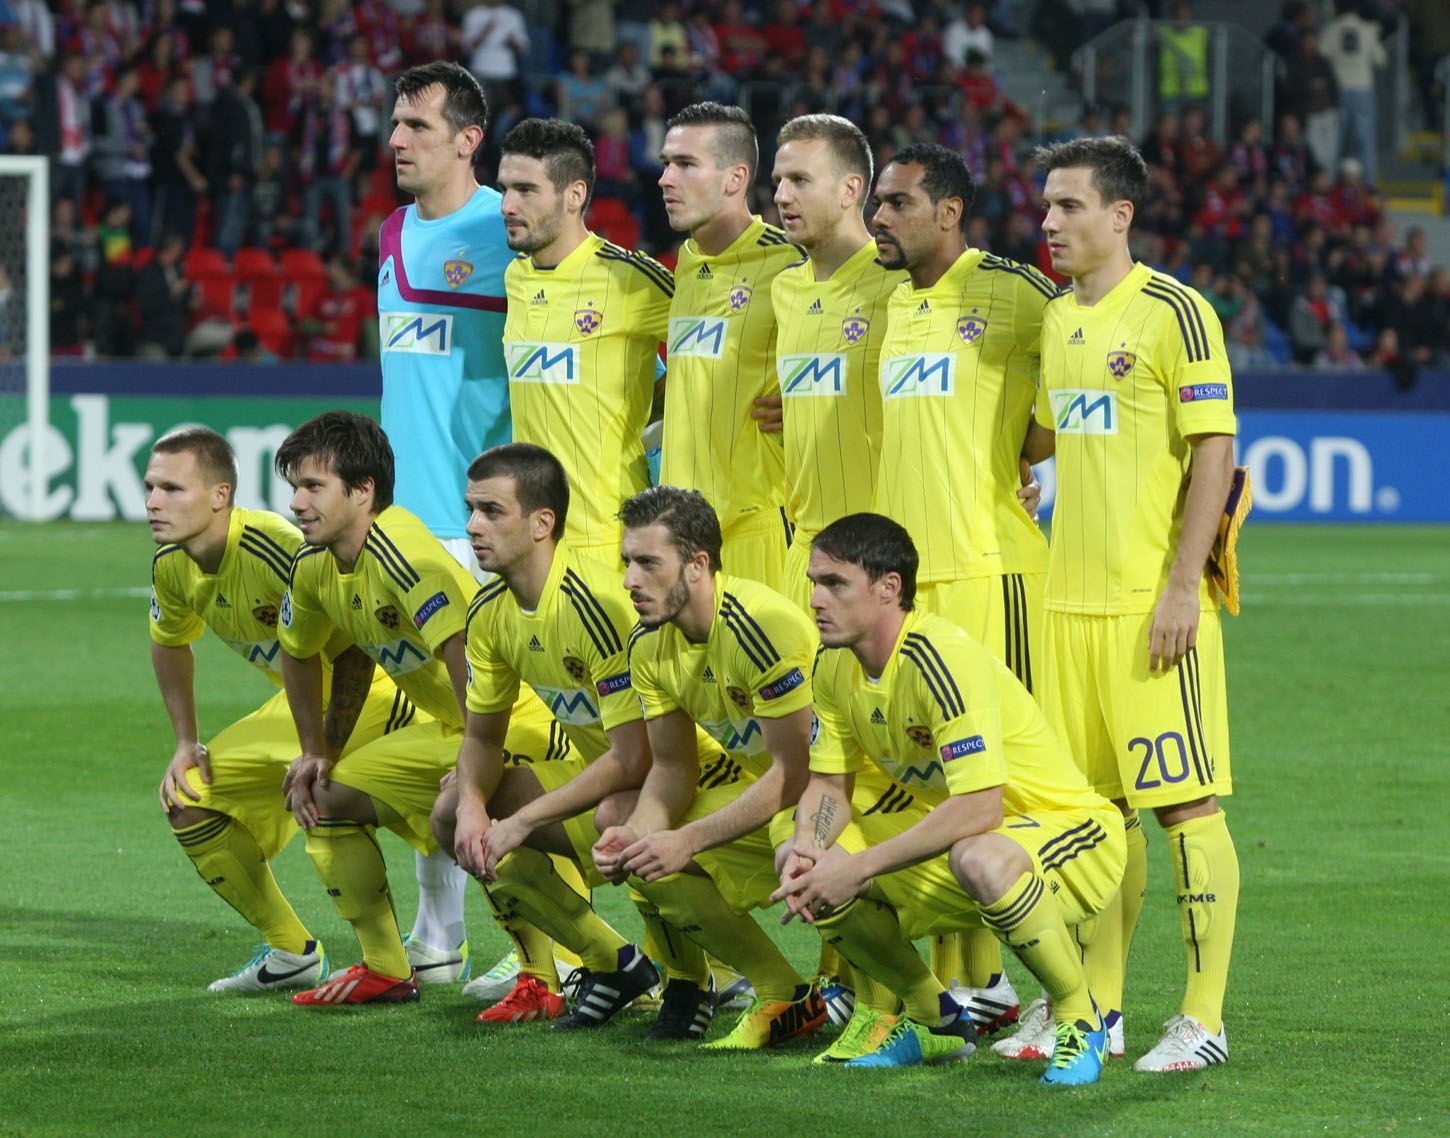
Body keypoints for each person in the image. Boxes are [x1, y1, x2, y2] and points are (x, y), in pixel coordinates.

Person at [1022, 135, 1241, 1072]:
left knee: (1183, 806)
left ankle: (1203, 1018)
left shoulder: (1175, 313)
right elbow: (1041, 433)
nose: (1048, 223)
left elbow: (1214, 453)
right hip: (1063, 609)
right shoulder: (1055, 320)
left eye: (1068, 206)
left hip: (1146, 606)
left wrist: (1182, 584)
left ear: (1119, 215)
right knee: (1093, 814)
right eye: (1044, 206)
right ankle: (1098, 1010)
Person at [776, 514, 1125, 1083]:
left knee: (978, 856)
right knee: (811, 865)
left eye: (834, 583)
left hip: (1067, 831)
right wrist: (808, 848)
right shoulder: (834, 664)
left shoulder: (941, 658)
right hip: (977, 842)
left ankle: (1079, 1018)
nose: (815, 598)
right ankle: (933, 1019)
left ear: (889, 587)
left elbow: (981, 808)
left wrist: (859, 866)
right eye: (814, 581)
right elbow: (828, 785)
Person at [430, 444, 727, 1037]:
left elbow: (636, 759)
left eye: (491, 511)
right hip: (612, 778)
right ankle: (613, 964)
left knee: (618, 815)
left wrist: (518, 820)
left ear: (543, 524)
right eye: (470, 510)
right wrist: (472, 805)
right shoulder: (490, 611)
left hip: (686, 779)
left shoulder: (595, 604)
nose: (471, 527)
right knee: (448, 812)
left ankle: (693, 980)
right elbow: (482, 738)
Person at [273, 411, 563, 1006]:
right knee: (325, 795)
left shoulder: (403, 553)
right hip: (453, 726)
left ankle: (548, 969)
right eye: (294, 487)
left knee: (469, 811)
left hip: (517, 716)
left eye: (313, 486)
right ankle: (385, 966)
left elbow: (467, 661)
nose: (297, 502)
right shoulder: (315, 567)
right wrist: (315, 751)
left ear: (363, 491)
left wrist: (479, 763)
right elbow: (312, 654)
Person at [868, 141, 1056, 1030]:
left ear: (949, 211)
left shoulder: (1015, 293)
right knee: (935, 780)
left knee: (1003, 781)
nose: (880, 217)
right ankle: (972, 981)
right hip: (914, 585)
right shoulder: (895, 302)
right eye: (877, 202)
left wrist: (1020, 456)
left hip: (990, 568)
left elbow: (1065, 411)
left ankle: (1039, 979)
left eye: (898, 203)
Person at [145, 427, 412, 993]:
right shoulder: (172, 565)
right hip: (303, 704)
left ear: (220, 496)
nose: (152, 502)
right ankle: (291, 951)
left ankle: (389, 965)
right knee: (189, 793)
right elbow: (168, 641)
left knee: (321, 791)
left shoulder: (273, 546)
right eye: (150, 487)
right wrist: (184, 741)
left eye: (171, 488)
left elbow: (356, 650)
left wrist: (321, 751)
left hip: (381, 688)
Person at [593, 486, 828, 1050]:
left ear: (698, 565)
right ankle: (783, 992)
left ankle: (901, 1003)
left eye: (648, 563)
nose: (629, 580)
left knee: (796, 841)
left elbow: (797, 774)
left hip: (837, 801)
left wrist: (688, 839)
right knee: (630, 827)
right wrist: (641, 832)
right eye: (627, 562)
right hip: (780, 795)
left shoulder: (759, 624)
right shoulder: (649, 644)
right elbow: (673, 767)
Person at [377, 61, 520, 986]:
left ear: (468, 139)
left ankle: (546, 937)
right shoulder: (389, 232)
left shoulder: (509, 227)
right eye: (395, 123)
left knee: (504, 735)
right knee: (435, 735)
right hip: (401, 528)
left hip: (479, 532)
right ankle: (440, 934)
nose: (397, 139)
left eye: (418, 126)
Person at [497, 117, 672, 561]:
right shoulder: (515, 276)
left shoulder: (630, 278)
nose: (507, 205)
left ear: (574, 195)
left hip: (607, 540)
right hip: (532, 542)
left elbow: (716, 348)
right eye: (504, 189)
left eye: (526, 190)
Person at [657, 102, 794, 587]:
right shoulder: (686, 263)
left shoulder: (791, 266)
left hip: (758, 532)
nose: (666, 179)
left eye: (686, 165)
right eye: (666, 164)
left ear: (735, 178)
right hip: (679, 536)